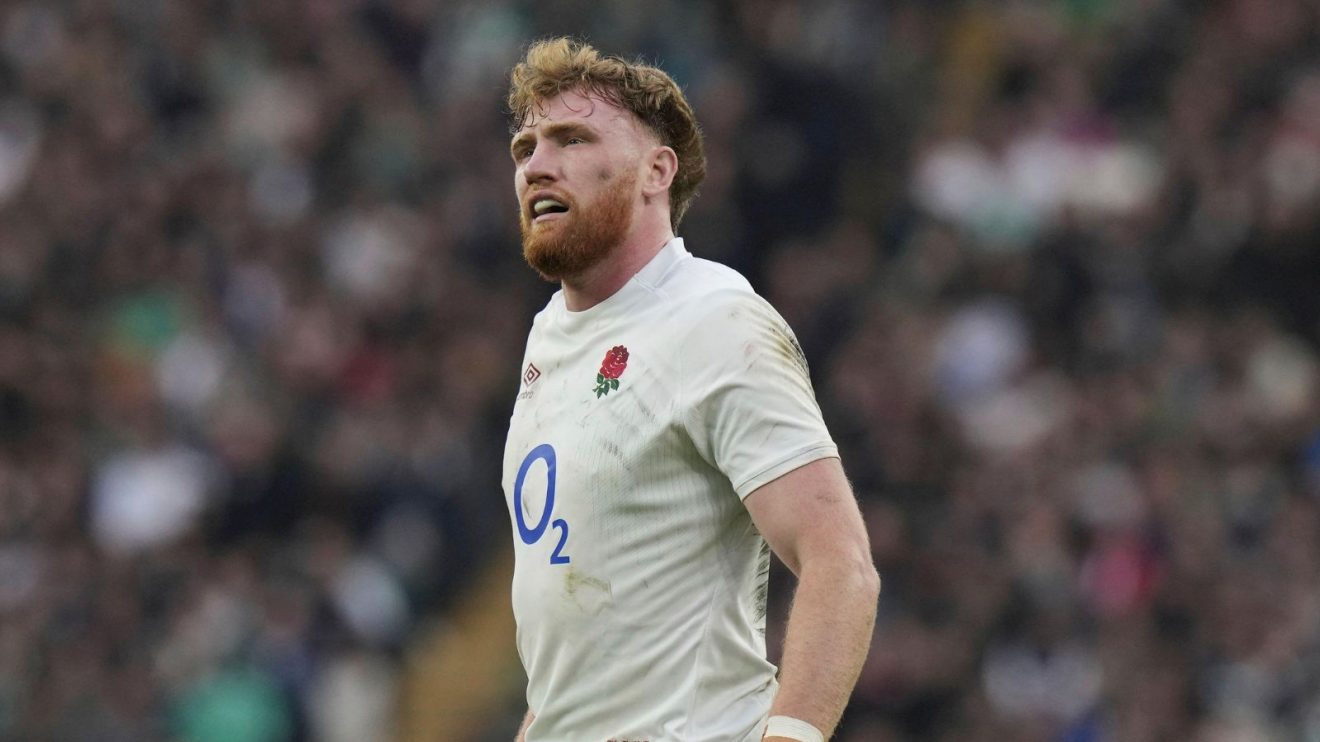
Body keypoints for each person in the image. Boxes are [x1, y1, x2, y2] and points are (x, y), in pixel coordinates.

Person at [502, 37, 879, 742]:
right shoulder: (548, 340)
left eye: (571, 139)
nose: (537, 166)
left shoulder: (713, 320)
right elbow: (578, 655)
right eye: (525, 149)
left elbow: (840, 561)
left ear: (656, 170)